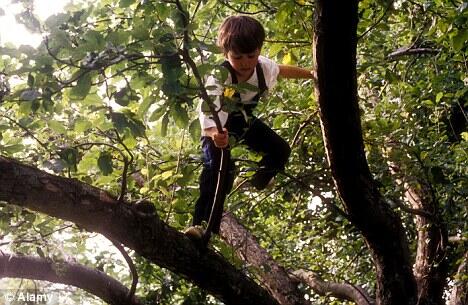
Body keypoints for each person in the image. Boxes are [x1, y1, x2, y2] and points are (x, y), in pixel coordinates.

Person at [184, 15, 316, 239]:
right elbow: (207, 114)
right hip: (216, 127)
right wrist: (216, 135)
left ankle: (257, 180)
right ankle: (201, 226)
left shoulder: (263, 67)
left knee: (281, 150)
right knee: (218, 170)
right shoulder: (219, 77)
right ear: (226, 53)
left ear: (259, 50)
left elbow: (282, 70)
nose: (245, 62)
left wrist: (311, 74)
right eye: (238, 57)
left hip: (242, 121)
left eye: (251, 56)